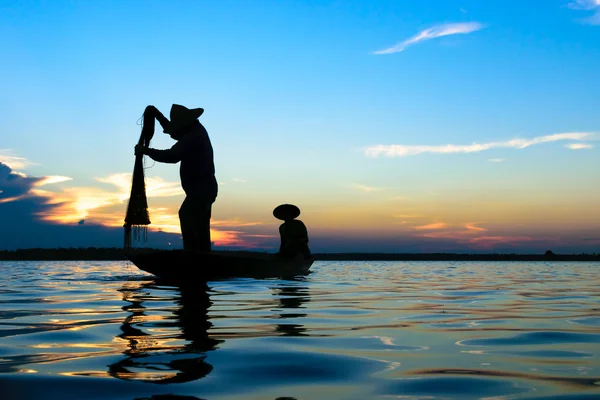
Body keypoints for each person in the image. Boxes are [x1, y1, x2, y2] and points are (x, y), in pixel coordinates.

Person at [135, 104, 217, 252]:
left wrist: (146, 151)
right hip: (202, 189)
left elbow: (172, 156)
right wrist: (158, 116)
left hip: (202, 189)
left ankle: (194, 256)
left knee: (188, 215)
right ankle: (201, 256)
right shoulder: (191, 130)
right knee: (199, 223)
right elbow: (173, 131)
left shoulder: (194, 136)